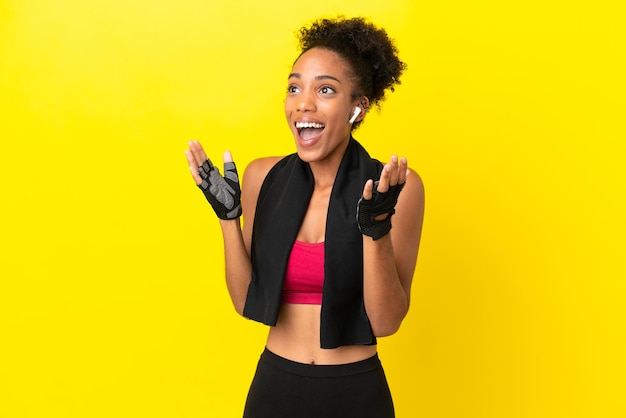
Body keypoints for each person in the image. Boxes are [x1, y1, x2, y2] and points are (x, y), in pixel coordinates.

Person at [185, 16, 424, 418]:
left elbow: (385, 322)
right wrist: (228, 218)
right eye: (294, 87)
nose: (303, 103)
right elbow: (246, 301)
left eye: (325, 90)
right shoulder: (262, 177)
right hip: (275, 389)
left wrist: (375, 229)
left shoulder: (395, 186)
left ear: (357, 108)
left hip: (355, 392)